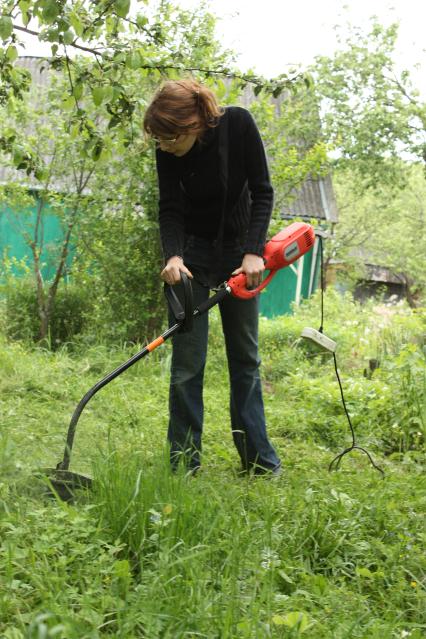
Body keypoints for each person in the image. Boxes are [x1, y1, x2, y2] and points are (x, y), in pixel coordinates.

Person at [144, 79, 281, 476]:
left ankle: (258, 462)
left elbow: (262, 191)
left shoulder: (238, 125)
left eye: (170, 138)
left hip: (242, 257)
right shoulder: (167, 148)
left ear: (192, 123)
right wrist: (173, 255)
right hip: (193, 259)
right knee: (188, 363)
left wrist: (254, 251)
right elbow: (169, 206)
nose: (164, 147)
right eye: (160, 141)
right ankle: (184, 464)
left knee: (245, 360)